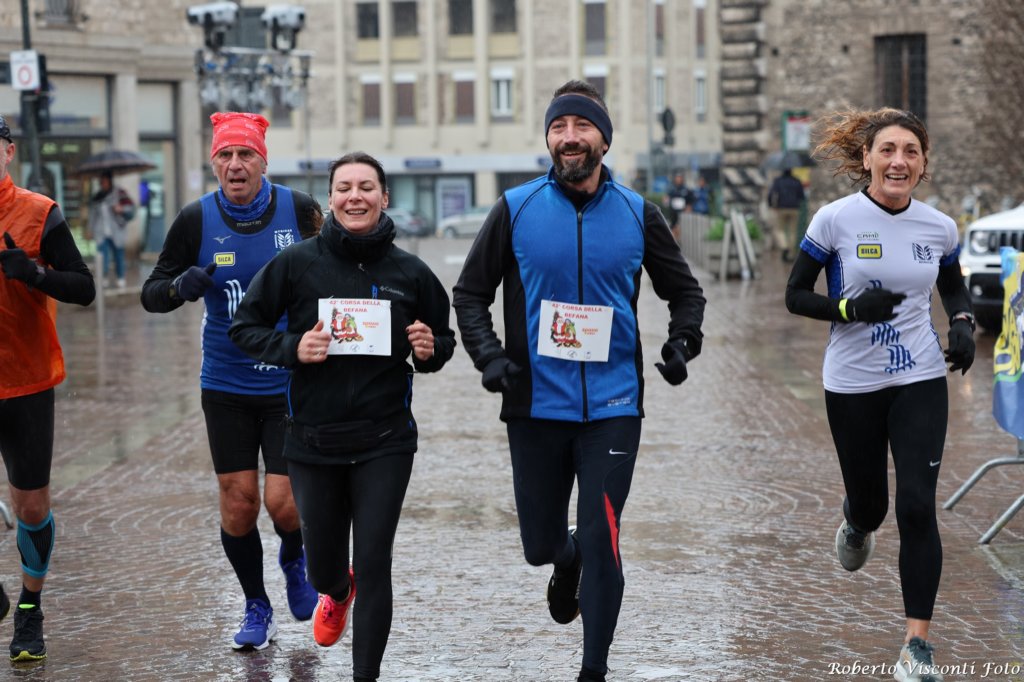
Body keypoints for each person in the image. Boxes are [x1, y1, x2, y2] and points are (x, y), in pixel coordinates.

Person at [452, 80, 706, 682]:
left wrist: (682, 344)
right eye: (559, 128)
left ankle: (594, 669)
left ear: (603, 140)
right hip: (535, 405)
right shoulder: (515, 208)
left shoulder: (638, 213)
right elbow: (469, 293)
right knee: (540, 546)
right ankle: (563, 559)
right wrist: (489, 357)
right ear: (548, 139)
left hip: (614, 406)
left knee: (603, 538)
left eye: (582, 127)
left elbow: (685, 293)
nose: (570, 138)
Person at [229, 151, 456, 682]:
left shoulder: (411, 272)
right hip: (313, 440)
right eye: (345, 188)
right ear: (330, 199)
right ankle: (336, 589)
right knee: (325, 569)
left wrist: (430, 349)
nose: (356, 196)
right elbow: (244, 327)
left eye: (367, 187)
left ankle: (364, 676)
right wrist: (292, 347)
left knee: (375, 561)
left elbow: (442, 340)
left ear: (384, 197)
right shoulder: (297, 263)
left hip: (385, 440)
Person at [785, 107, 975, 682]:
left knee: (917, 505)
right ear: (866, 158)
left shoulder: (939, 227)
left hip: (920, 377)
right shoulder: (835, 220)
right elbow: (795, 295)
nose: (899, 161)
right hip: (853, 383)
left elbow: (953, 283)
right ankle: (856, 520)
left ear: (923, 163)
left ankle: (917, 646)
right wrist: (848, 308)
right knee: (874, 505)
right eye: (887, 150)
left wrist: (962, 322)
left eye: (911, 151)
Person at [141, 112, 322, 651]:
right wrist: (179, 287)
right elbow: (152, 293)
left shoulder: (300, 210)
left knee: (284, 502)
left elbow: (337, 268)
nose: (235, 164)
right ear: (213, 162)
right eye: (225, 155)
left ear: (263, 161)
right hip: (226, 383)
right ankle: (256, 604)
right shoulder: (195, 219)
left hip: (290, 379)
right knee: (239, 501)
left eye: (246, 154)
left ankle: (295, 557)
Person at [0, 114, 96, 661]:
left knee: (31, 507)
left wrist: (35, 275)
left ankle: (29, 608)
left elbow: (84, 287)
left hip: (27, 382)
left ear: (8, 152)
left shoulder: (40, 212)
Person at [88, 170, 135, 288]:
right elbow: (93, 215)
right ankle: (103, 277)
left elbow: (131, 208)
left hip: (116, 231)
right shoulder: (97, 197)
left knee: (118, 255)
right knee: (102, 256)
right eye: (101, 182)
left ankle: (120, 277)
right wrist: (90, 229)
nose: (103, 184)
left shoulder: (120, 193)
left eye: (105, 181)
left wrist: (121, 209)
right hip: (101, 231)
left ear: (110, 181)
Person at [767, 167, 806, 261]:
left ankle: (784, 246)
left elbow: (771, 194)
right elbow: (802, 196)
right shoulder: (797, 181)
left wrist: (771, 204)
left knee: (779, 229)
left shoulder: (778, 181)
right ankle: (791, 254)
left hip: (781, 208)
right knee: (793, 231)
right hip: (794, 209)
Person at [664, 171, 693, 240]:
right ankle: (675, 240)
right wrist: (666, 200)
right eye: (677, 178)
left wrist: (688, 207)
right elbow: (667, 198)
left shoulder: (686, 189)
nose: (678, 179)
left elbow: (690, 200)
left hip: (683, 211)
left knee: (681, 226)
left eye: (680, 178)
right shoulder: (671, 189)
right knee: (673, 226)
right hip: (673, 211)